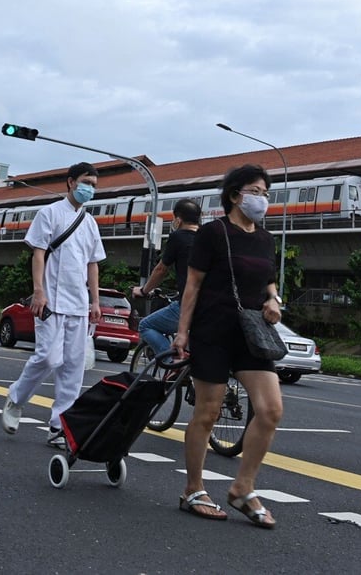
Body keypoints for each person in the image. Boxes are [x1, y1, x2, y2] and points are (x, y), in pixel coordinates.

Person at [172, 164, 283, 528]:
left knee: (270, 410)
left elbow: (269, 280)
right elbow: (192, 285)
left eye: (266, 193)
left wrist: (273, 299)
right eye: (255, 191)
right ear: (235, 195)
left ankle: (242, 488)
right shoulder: (212, 233)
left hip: (251, 334)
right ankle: (193, 489)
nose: (262, 199)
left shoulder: (266, 239)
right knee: (208, 412)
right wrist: (182, 332)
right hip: (213, 330)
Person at [0, 162, 106, 446]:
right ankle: (16, 398)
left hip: (79, 304)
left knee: (73, 367)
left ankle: (60, 426)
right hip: (51, 301)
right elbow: (38, 254)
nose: (90, 189)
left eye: (94, 185)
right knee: (48, 357)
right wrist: (39, 291)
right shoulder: (49, 213)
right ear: (71, 182)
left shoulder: (91, 222)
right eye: (86, 182)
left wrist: (95, 302)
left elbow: (93, 265)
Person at [131, 198, 201, 356]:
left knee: (145, 325)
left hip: (188, 306)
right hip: (210, 306)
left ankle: (173, 364)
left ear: (178, 219)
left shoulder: (178, 237)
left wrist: (144, 290)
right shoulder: (208, 238)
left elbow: (161, 269)